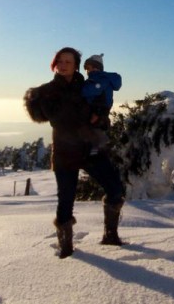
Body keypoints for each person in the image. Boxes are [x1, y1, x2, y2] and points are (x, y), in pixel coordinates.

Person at [23, 47, 125, 258]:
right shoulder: (48, 90)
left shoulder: (88, 86)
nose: (63, 65)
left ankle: (110, 235)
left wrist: (100, 118)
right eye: (59, 61)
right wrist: (32, 100)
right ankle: (66, 248)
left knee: (115, 189)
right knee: (66, 201)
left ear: (76, 65)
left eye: (68, 61)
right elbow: (39, 115)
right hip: (65, 152)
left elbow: (104, 111)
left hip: (90, 147)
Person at [81, 53, 122, 155]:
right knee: (95, 135)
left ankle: (97, 155)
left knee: (96, 136)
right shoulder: (101, 79)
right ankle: (96, 153)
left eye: (88, 68)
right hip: (98, 113)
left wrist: (77, 89)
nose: (87, 71)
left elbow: (89, 91)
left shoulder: (100, 80)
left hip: (98, 113)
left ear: (95, 67)